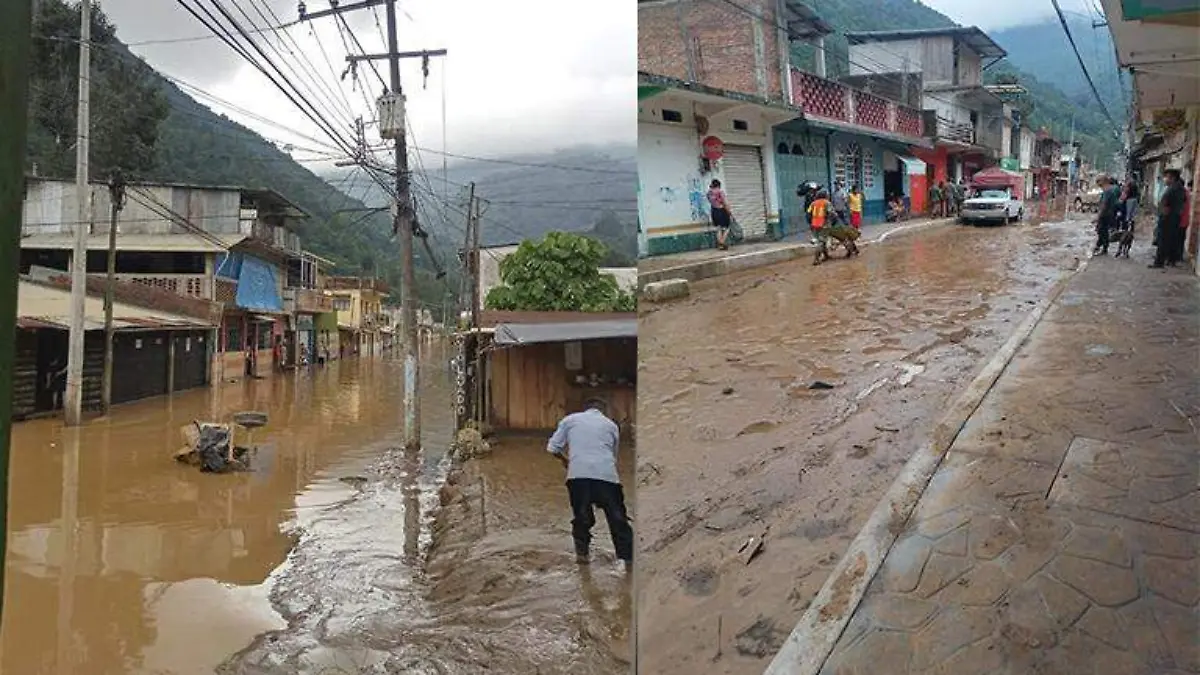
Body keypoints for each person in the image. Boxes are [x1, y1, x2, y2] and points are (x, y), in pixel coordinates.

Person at [547, 398, 632, 568]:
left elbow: (553, 448)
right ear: (603, 411)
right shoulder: (611, 425)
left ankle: (582, 558)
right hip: (606, 477)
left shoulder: (570, 420)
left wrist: (566, 461)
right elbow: (613, 456)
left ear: (584, 409)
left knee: (582, 518)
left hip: (578, 476)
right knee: (618, 519)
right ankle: (629, 563)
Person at [1152, 168, 1187, 268]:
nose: (1164, 179)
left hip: (1168, 219)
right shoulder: (1180, 189)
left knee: (1163, 240)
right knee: (1172, 239)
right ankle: (1171, 260)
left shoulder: (1172, 189)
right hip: (1175, 218)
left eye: (1166, 177)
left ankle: (1159, 262)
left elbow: (1165, 205)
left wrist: (1163, 215)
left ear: (1172, 178)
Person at [1094, 175, 1120, 256]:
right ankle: (1100, 247)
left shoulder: (1107, 191)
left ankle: (1101, 248)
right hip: (1110, 214)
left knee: (1102, 231)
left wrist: (1098, 216)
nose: (1098, 185)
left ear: (1103, 182)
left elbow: (1104, 205)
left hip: (1105, 215)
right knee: (1103, 231)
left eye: (1099, 182)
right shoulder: (1110, 190)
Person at [808, 188, 833, 264]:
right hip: (824, 224)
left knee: (822, 240)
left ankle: (826, 255)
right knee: (821, 241)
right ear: (825, 195)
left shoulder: (813, 203)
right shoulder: (827, 203)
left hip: (815, 224)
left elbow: (808, 213)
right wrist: (833, 219)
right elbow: (830, 213)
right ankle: (816, 259)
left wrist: (811, 222)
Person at [708, 179, 732, 251]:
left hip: (714, 211)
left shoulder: (709, 193)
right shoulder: (720, 192)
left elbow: (710, 201)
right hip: (721, 211)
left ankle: (720, 244)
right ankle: (722, 242)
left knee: (718, 228)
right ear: (718, 185)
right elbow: (725, 203)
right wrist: (729, 211)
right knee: (727, 227)